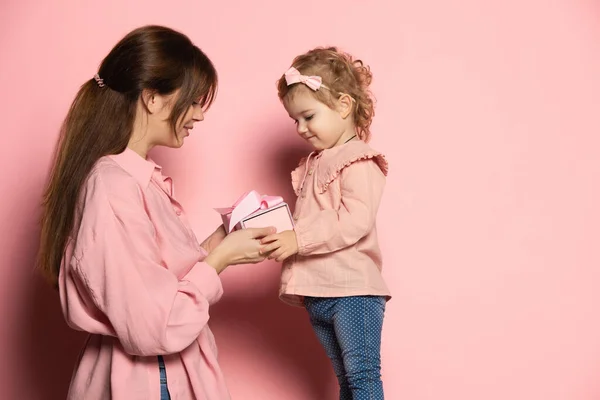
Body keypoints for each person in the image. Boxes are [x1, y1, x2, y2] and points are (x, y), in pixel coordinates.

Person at [37, 25, 273, 400]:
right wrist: (221, 260)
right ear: (152, 98)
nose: (198, 115)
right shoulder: (113, 185)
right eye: (193, 100)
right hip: (149, 382)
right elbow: (155, 326)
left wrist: (218, 243)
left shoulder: (138, 180)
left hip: (166, 376)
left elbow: (152, 284)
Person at [260, 47, 391, 400]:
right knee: (347, 381)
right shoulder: (316, 162)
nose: (300, 129)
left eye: (308, 116)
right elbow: (312, 217)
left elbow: (355, 220)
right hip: (318, 291)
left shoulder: (357, 160)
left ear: (344, 107)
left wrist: (298, 239)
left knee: (362, 377)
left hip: (352, 290)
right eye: (295, 120)